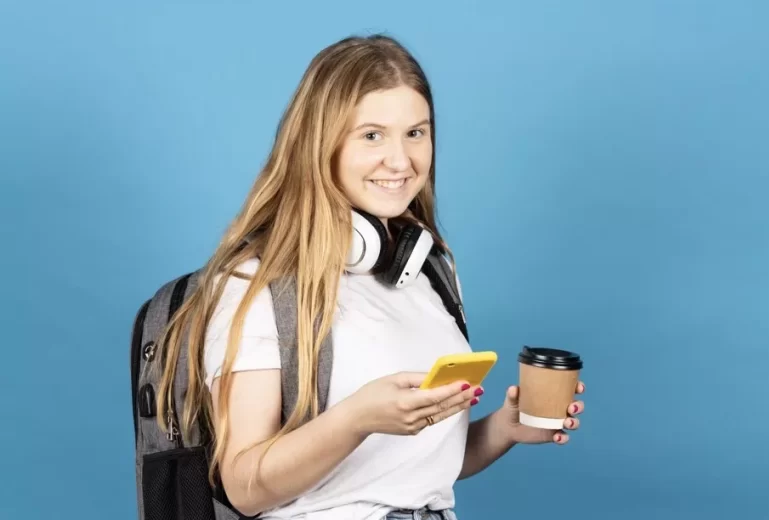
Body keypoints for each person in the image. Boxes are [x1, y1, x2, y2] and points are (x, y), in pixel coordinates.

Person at [154, 34, 586, 520]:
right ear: (321, 145)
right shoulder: (257, 285)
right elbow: (245, 485)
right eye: (372, 135)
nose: (400, 161)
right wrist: (357, 418)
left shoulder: (430, 274)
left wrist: (505, 428)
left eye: (416, 133)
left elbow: (413, 471)